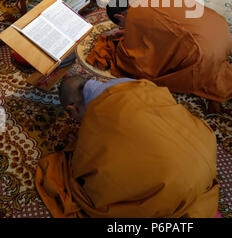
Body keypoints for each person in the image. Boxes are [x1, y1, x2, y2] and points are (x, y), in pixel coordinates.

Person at [36, 74, 219, 218]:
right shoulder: (132, 83)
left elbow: (92, 172)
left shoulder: (96, 116)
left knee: (82, 189)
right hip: (207, 153)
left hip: (177, 185)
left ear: (72, 109)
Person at [87, 0, 232, 103]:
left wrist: (120, 49)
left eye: (122, 25)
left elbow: (136, 58)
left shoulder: (135, 16)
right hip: (221, 31)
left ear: (120, 15)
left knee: (133, 63)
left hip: (204, 53)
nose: (125, 29)